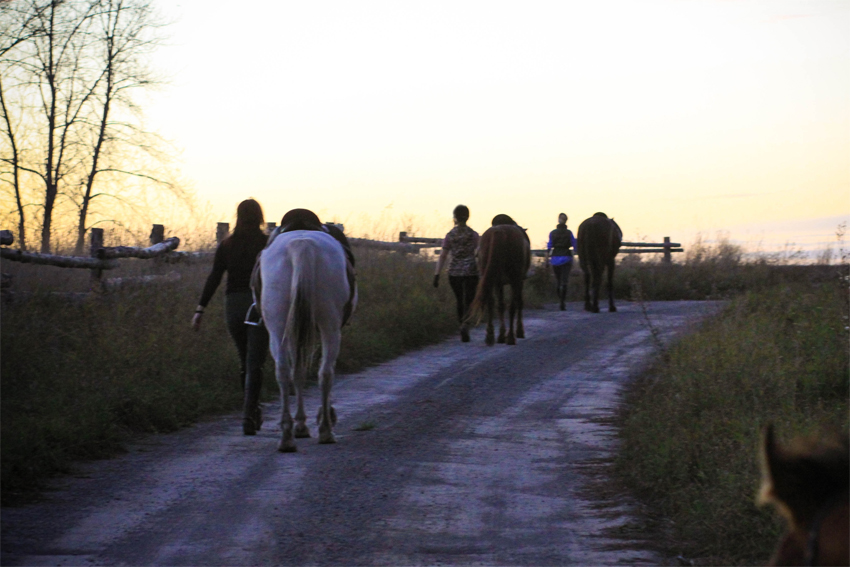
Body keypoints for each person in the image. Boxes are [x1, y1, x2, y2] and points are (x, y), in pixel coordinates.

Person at [192, 199, 269, 436]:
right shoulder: (268, 244)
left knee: (244, 360)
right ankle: (249, 414)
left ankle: (250, 411)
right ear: (259, 216)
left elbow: (214, 277)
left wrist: (199, 310)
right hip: (258, 305)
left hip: (232, 306)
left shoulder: (227, 245)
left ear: (238, 216)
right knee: (255, 363)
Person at [434, 205, 480, 342]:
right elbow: (479, 254)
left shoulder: (450, 235)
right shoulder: (474, 235)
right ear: (468, 217)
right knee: (469, 300)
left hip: (454, 272)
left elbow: (443, 255)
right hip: (471, 271)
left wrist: (437, 274)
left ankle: (461, 324)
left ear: (454, 217)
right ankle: (466, 324)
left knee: (459, 299)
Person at [547, 212, 577, 311]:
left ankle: (559, 298)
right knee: (564, 280)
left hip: (555, 257)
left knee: (558, 279)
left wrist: (548, 256)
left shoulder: (553, 233)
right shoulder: (569, 233)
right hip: (566, 257)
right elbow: (574, 244)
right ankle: (562, 302)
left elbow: (550, 245)